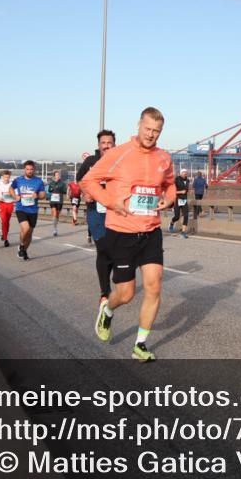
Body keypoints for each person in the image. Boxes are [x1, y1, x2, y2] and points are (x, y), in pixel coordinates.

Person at [81, 109, 175, 362]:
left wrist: (169, 199)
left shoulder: (163, 157)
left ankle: (140, 344)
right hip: (121, 233)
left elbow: (170, 184)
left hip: (151, 231)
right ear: (139, 125)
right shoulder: (117, 153)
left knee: (154, 286)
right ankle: (107, 309)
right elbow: (88, 181)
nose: (151, 135)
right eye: (148, 129)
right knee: (126, 294)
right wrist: (111, 203)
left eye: (156, 131)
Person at [77, 130, 117, 305]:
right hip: (95, 211)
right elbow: (80, 180)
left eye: (109, 142)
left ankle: (115, 271)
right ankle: (104, 290)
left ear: (114, 144)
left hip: (115, 210)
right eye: (103, 142)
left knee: (114, 248)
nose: (106, 145)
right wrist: (86, 192)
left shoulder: (120, 162)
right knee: (102, 247)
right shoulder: (90, 162)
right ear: (99, 145)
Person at [11, 160, 46, 260]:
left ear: (34, 169)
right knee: (25, 228)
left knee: (29, 233)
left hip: (33, 210)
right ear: (24, 169)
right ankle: (21, 245)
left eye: (31, 169)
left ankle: (24, 250)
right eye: (27, 169)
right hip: (21, 208)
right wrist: (15, 196)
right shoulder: (18, 180)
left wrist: (38, 195)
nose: (29, 171)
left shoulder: (38, 181)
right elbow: (11, 188)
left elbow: (43, 195)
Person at [0, 170, 16, 247]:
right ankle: (6, 239)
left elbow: (16, 192)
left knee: (7, 222)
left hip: (10, 204)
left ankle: (4, 234)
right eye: (5, 177)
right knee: (4, 221)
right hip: (2, 204)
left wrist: (15, 197)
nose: (7, 178)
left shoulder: (12, 184)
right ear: (2, 177)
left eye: (8, 177)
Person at [168, 169, 190, 238]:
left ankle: (183, 232)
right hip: (177, 199)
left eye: (186, 173)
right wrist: (181, 192)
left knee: (186, 215)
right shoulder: (176, 180)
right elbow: (172, 191)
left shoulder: (187, 180)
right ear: (180, 173)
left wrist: (185, 191)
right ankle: (171, 223)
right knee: (177, 216)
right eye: (183, 172)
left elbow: (186, 190)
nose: (185, 174)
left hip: (184, 200)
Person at [46, 170, 67, 237]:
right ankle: (54, 230)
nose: (57, 176)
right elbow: (49, 190)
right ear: (54, 176)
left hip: (59, 200)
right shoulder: (51, 183)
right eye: (56, 175)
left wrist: (60, 189)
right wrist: (52, 189)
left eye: (58, 175)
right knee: (54, 213)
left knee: (57, 215)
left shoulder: (62, 183)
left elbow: (64, 192)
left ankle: (55, 227)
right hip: (53, 200)